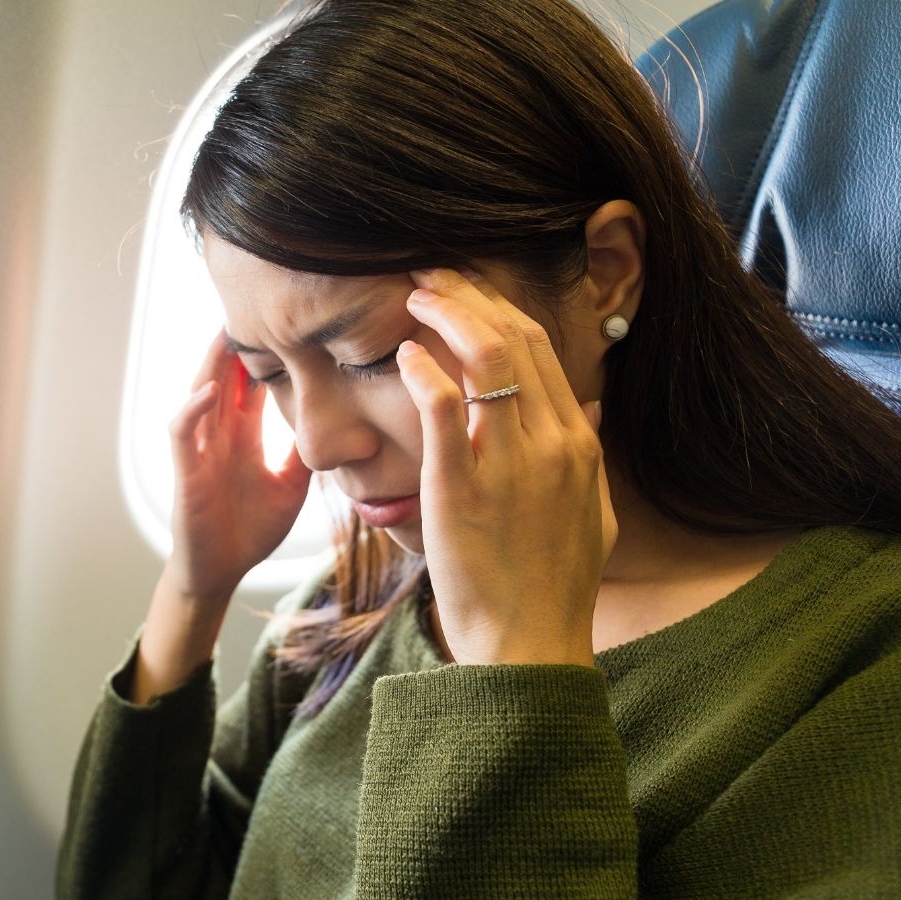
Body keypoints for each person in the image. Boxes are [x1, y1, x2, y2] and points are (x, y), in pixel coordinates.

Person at [56, 0, 901, 896]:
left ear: (605, 270)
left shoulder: (854, 665)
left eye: (374, 355)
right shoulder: (371, 581)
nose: (315, 443)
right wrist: (194, 588)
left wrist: (515, 659)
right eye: (268, 371)